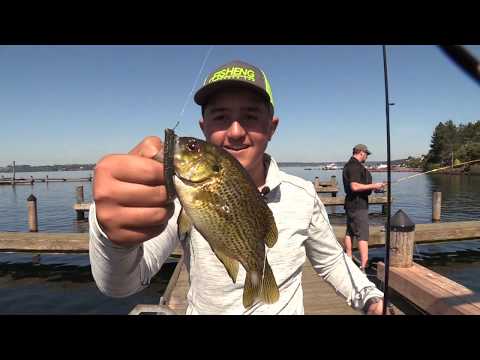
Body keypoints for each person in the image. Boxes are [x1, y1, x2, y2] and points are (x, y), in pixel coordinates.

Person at [89, 60, 385, 315]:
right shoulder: (178, 197)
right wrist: (113, 235)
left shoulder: (303, 194)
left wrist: (371, 299)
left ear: (272, 127)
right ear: (203, 127)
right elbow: (121, 286)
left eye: (251, 116)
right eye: (220, 117)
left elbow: (332, 261)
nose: (235, 131)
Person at [342, 144, 386, 271]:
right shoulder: (355, 166)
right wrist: (373, 186)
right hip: (358, 205)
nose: (367, 156)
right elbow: (355, 186)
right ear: (361, 152)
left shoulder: (348, 165)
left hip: (351, 204)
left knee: (350, 231)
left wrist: (376, 187)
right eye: (366, 154)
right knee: (363, 234)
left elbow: (358, 186)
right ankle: (364, 264)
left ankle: (349, 257)